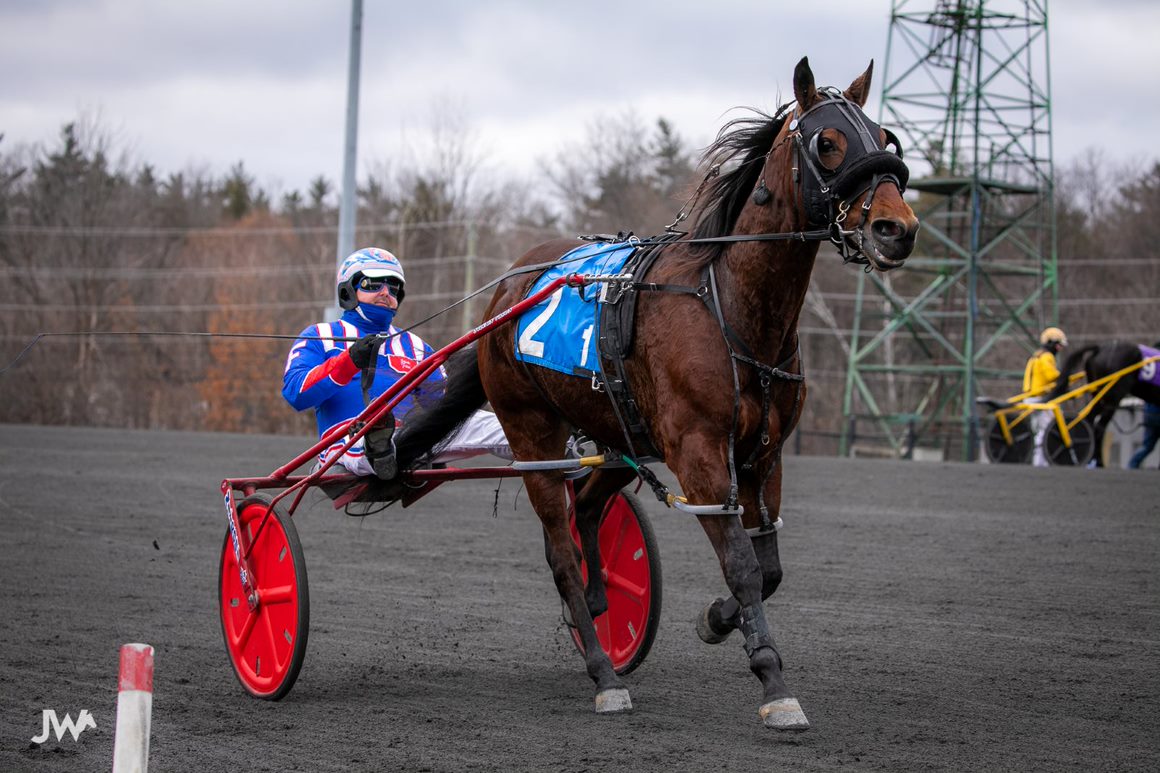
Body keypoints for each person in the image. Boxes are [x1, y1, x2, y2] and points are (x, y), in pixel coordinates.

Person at [282, 247, 510, 479]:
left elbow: (442, 402)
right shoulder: (319, 336)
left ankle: (543, 448)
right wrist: (349, 361)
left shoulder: (414, 345)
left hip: (412, 434)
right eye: (373, 284)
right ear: (348, 291)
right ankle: (379, 448)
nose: (385, 292)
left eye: (393, 287)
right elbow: (295, 393)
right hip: (344, 440)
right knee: (369, 436)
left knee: (503, 426)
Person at [1023, 326, 1067, 467]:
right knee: (1047, 429)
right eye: (1058, 345)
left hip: (1031, 397)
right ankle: (1041, 462)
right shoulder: (1046, 356)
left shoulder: (1036, 355)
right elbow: (1050, 375)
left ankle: (1039, 461)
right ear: (1051, 343)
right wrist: (1064, 377)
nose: (1059, 349)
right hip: (1039, 398)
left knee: (1040, 429)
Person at [1128, 401, 1160, 469]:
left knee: (1147, 446)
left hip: (1149, 413)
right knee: (1147, 445)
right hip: (1156, 412)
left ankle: (1131, 466)